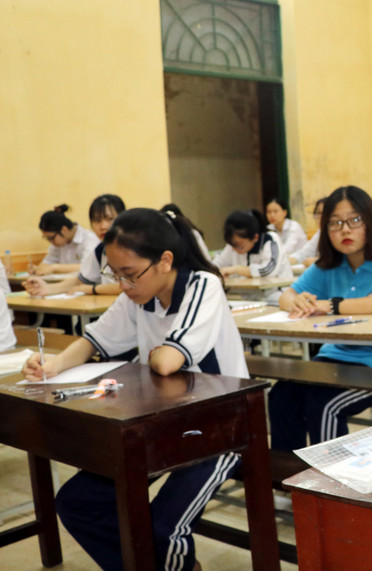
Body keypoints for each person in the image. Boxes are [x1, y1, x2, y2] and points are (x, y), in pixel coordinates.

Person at [21, 207, 245, 571]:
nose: (123, 285)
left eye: (129, 274)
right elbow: (95, 339)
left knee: (162, 528)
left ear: (164, 261)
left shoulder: (203, 285)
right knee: (78, 503)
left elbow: (168, 361)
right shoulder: (137, 295)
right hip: (161, 425)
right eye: (116, 274)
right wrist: (53, 365)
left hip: (221, 429)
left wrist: (155, 354)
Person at [269, 186, 372, 448]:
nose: (345, 230)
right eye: (335, 224)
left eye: (354, 220)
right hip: (334, 357)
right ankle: (289, 481)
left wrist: (332, 305)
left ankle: (329, 486)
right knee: (281, 395)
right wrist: (297, 300)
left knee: (323, 405)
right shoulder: (327, 266)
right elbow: (284, 296)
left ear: (370, 221)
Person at [25, 194, 126, 297]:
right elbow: (81, 280)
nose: (103, 226)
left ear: (123, 218)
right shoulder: (100, 251)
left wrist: (92, 289)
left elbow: (129, 285)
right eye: (97, 221)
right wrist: (47, 288)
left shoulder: (133, 248)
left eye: (110, 219)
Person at [213, 209, 292, 279]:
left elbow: (268, 271)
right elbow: (217, 264)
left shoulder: (270, 240)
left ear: (255, 238)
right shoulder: (233, 245)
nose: (235, 250)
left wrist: (236, 269)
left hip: (275, 291)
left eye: (240, 246)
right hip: (246, 292)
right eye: (232, 245)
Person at [31, 204, 99, 275]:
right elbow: (48, 261)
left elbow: (88, 267)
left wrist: (54, 267)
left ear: (64, 230)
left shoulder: (89, 239)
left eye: (51, 238)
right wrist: (38, 268)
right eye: (47, 239)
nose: (51, 242)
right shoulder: (57, 243)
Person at [290, 196, 327, 266]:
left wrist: (317, 261)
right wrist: (288, 260)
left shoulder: (337, 233)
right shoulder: (320, 234)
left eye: (325, 213)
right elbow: (304, 253)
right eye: (318, 213)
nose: (321, 217)